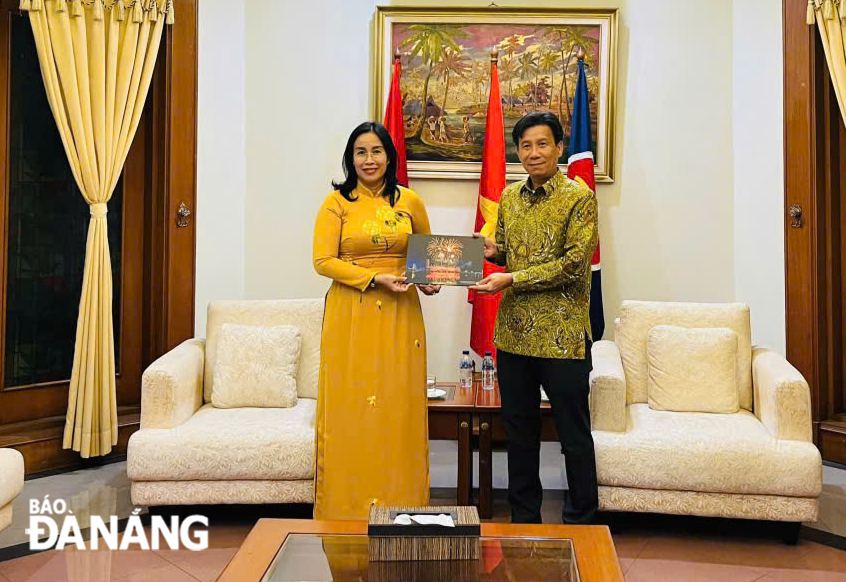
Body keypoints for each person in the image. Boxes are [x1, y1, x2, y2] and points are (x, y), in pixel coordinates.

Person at [469, 111, 599, 525]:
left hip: (562, 337)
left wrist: (510, 278)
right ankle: (525, 519)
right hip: (514, 337)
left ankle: (582, 520)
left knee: (572, 436)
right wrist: (490, 252)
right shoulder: (509, 196)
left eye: (543, 144)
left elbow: (573, 265)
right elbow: (508, 250)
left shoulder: (579, 198)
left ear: (559, 148)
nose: (533, 152)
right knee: (520, 435)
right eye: (525, 145)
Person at [312, 122, 440, 520]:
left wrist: (427, 281)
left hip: (401, 316)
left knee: (399, 407)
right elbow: (322, 261)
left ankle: (404, 508)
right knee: (349, 408)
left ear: (390, 156)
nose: (369, 160)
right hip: (351, 313)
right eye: (361, 152)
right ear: (351, 159)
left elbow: (427, 255)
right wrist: (372, 278)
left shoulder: (410, 201)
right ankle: (343, 509)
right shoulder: (336, 203)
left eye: (377, 151)